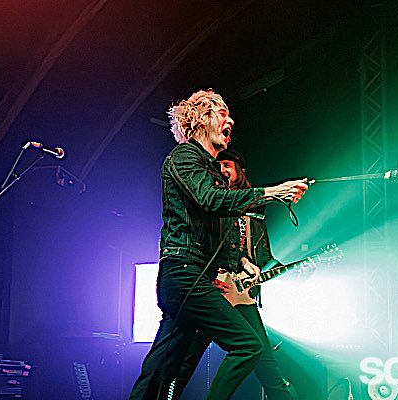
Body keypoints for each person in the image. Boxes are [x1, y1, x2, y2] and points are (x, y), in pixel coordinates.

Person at [128, 88, 308, 400]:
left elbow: (218, 226)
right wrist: (271, 193)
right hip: (184, 274)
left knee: (162, 369)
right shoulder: (185, 156)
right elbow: (210, 200)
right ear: (201, 119)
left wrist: (238, 264)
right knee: (247, 346)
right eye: (223, 114)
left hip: (194, 276)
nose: (231, 121)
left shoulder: (210, 169)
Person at [167, 148, 295, 400]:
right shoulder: (210, 204)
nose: (223, 170)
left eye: (228, 165)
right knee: (185, 362)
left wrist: (290, 270)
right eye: (219, 165)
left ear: (240, 171)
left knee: (265, 361)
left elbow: (264, 257)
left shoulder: (254, 215)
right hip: (212, 291)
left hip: (241, 295)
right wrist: (207, 278)